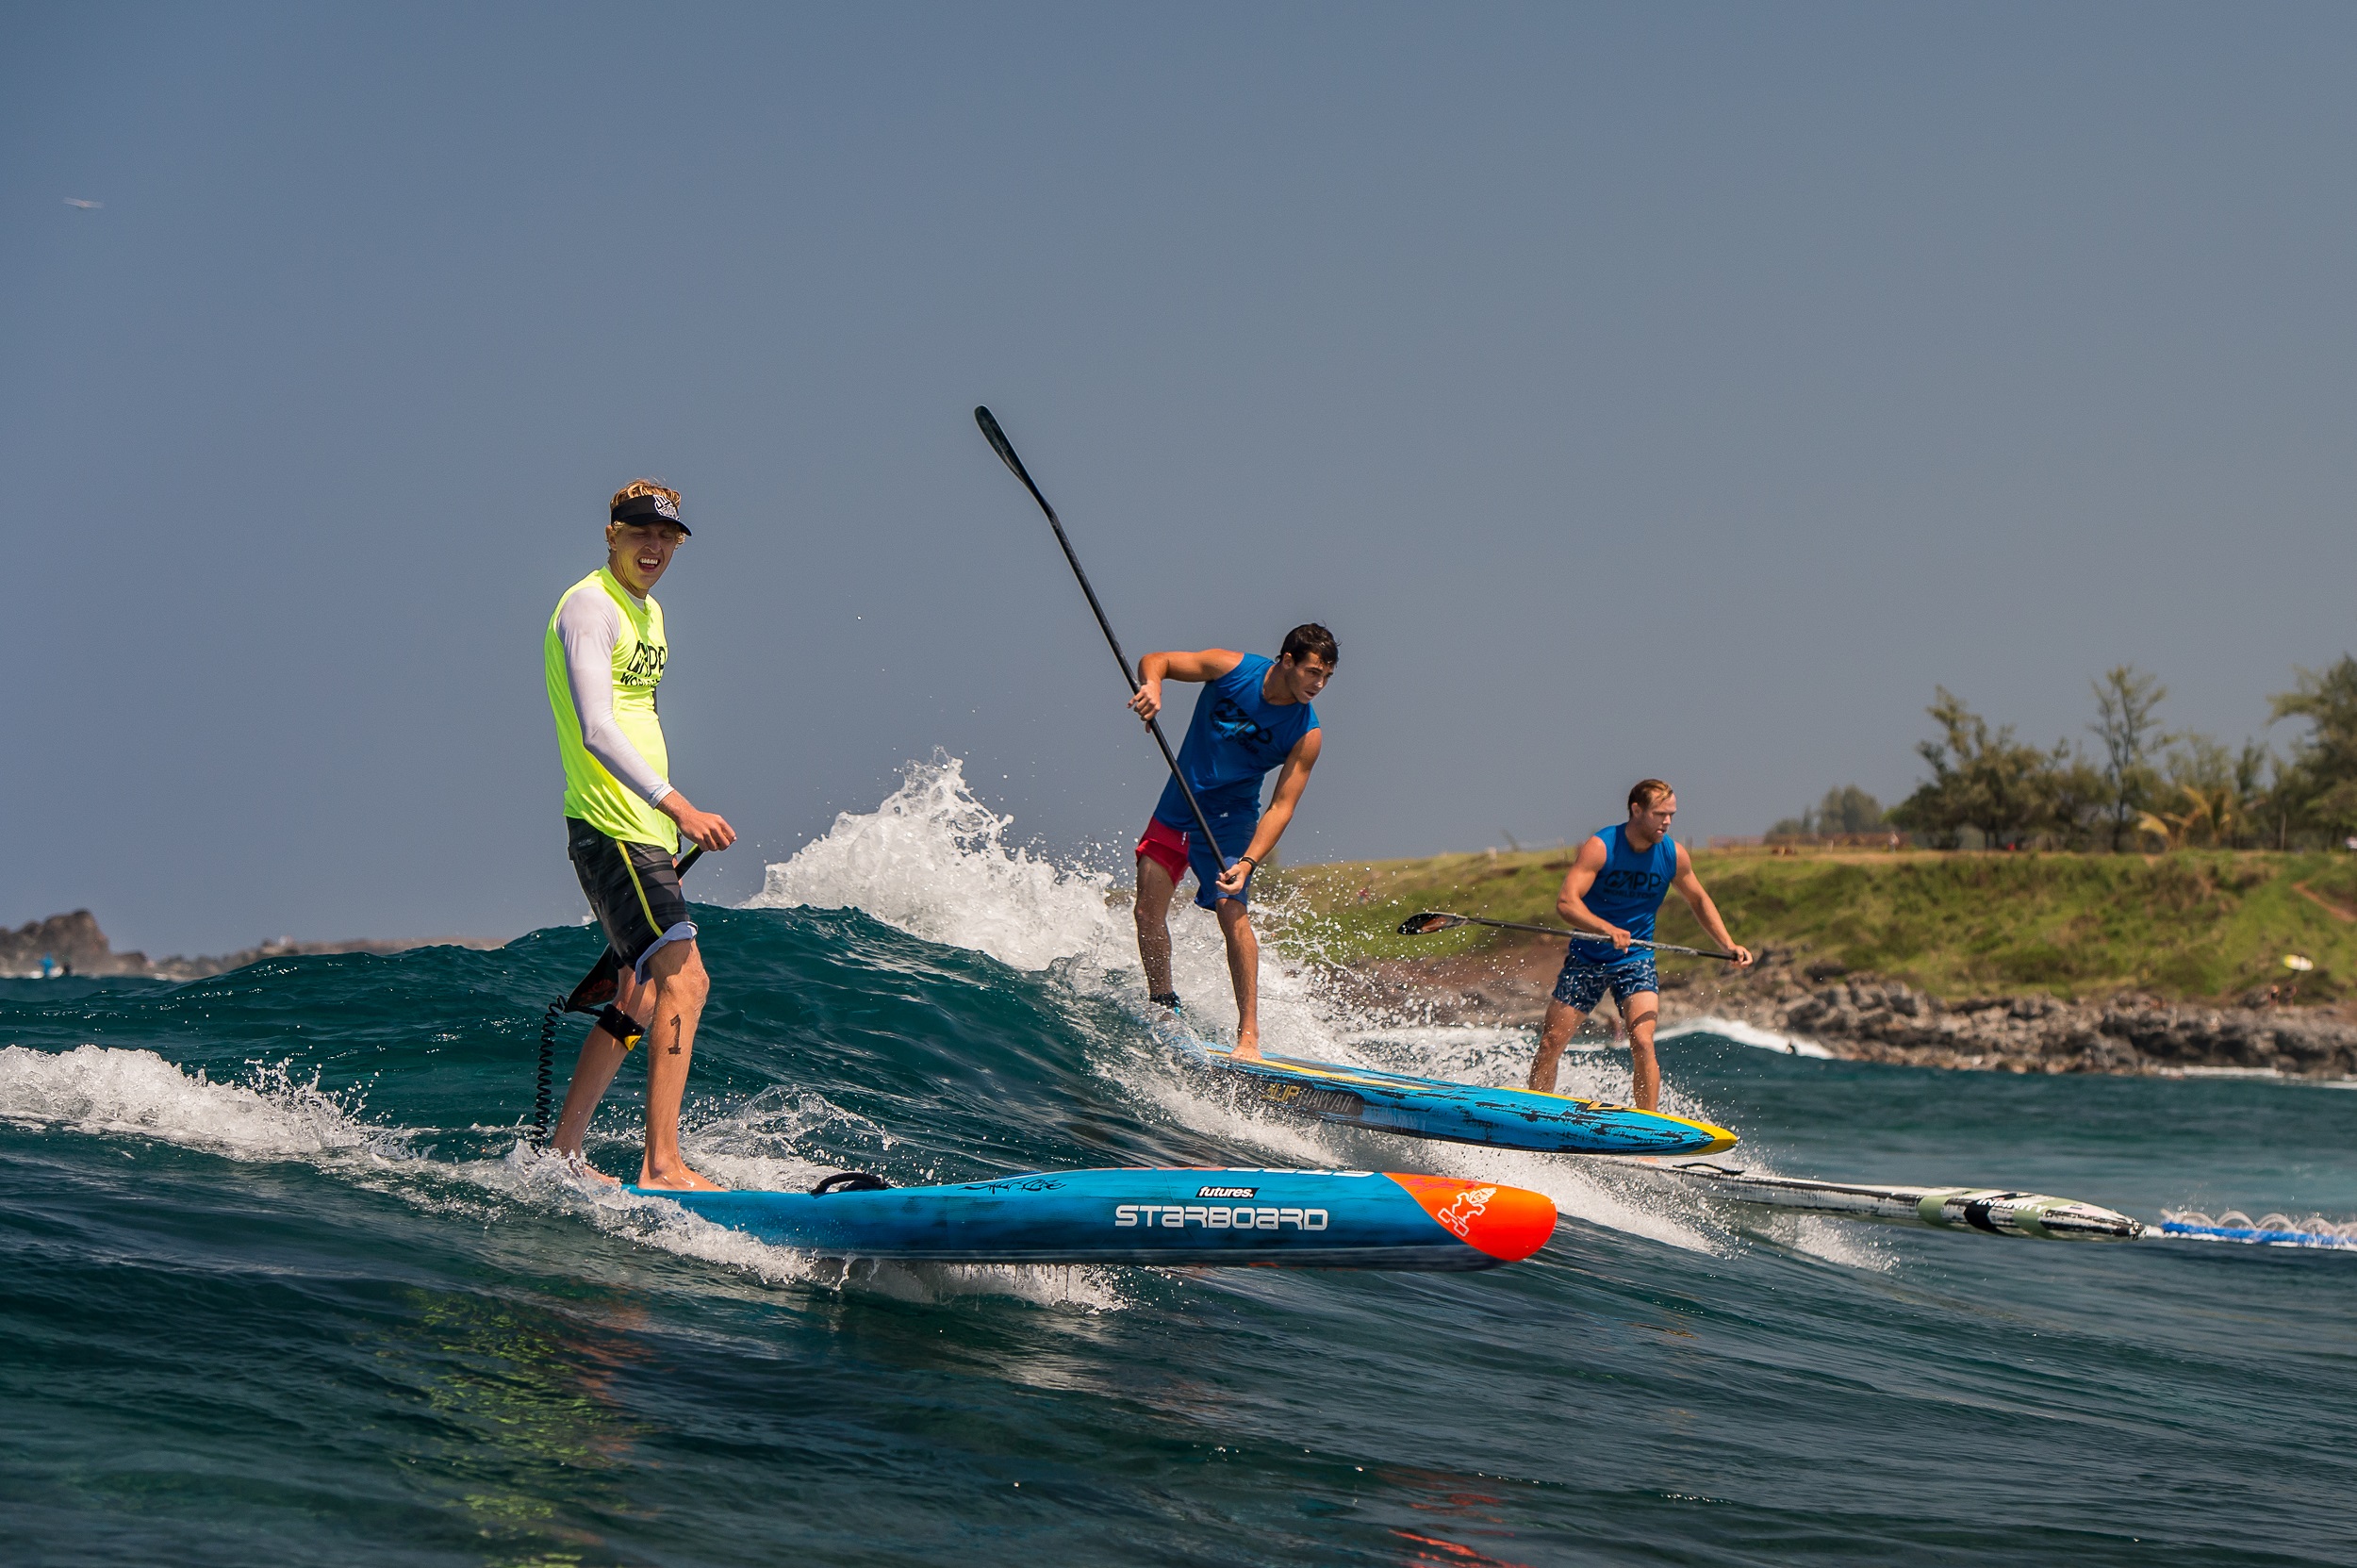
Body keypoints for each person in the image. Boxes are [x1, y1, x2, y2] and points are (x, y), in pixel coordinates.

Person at [541, 480, 737, 1189]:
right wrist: (678, 805)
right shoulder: (590, 607)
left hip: (641, 830)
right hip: (612, 824)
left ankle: (562, 1152)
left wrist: (663, 825)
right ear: (611, 534)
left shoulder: (648, 614)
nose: (653, 547)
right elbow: (597, 727)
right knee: (686, 980)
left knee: (640, 996)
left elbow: (640, 719)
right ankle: (662, 1163)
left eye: (667, 538)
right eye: (638, 533)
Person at [1129, 626, 1336, 1061]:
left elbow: (1281, 806)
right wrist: (1153, 686)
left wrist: (1248, 861)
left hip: (1229, 821)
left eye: (1326, 677)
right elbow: (1159, 658)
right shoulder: (1231, 668)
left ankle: (1249, 1039)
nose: (1318, 685)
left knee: (1232, 910)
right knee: (1147, 911)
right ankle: (1163, 1006)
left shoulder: (1306, 733)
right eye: (1313, 672)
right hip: (1177, 806)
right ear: (1286, 660)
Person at [1526, 780, 1751, 1111]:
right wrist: (1607, 928)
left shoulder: (1672, 854)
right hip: (1588, 956)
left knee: (1643, 1041)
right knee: (1551, 1042)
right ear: (1636, 810)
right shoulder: (1602, 846)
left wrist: (1729, 943)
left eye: (1672, 814)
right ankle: (1533, 1114)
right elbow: (1566, 903)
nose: (1668, 822)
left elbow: (1699, 899)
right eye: (1660, 814)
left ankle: (1647, 1131)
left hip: (1636, 959)